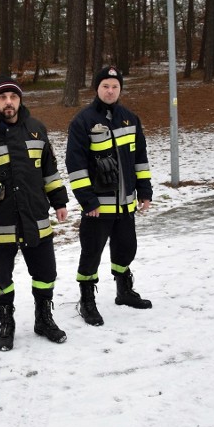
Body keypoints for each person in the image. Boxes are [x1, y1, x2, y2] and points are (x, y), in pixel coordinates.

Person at [0, 75, 69, 351]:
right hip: (0, 223)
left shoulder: (37, 129)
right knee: (2, 280)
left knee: (46, 273)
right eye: (2, 98)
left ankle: (43, 319)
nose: (8, 102)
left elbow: (50, 170)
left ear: (20, 100)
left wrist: (59, 201)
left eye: (13, 97)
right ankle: (6, 323)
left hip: (36, 218)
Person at [65, 66, 154, 325]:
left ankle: (123, 290)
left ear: (120, 89)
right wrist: (87, 200)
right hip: (98, 207)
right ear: (97, 88)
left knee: (126, 249)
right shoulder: (83, 121)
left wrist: (145, 191)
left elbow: (140, 159)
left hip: (126, 204)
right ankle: (87, 300)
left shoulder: (130, 118)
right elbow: (76, 164)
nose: (110, 90)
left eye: (115, 86)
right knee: (91, 253)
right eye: (105, 86)